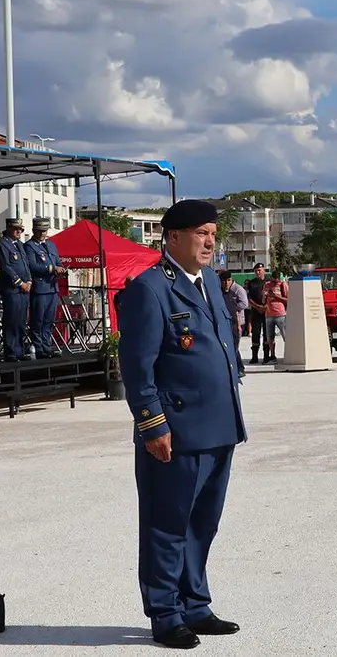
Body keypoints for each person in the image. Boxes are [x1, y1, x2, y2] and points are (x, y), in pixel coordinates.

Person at [118, 199, 247, 649]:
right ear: (172, 237)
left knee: (202, 524)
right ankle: (165, 612)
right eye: (200, 233)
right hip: (175, 432)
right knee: (166, 524)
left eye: (213, 233)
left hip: (219, 426)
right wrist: (153, 426)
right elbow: (138, 368)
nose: (210, 241)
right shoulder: (150, 289)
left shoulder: (210, 281)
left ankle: (194, 603)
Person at [23, 217, 67, 358]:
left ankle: (46, 346)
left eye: (45, 231)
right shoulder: (29, 246)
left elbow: (58, 261)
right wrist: (51, 268)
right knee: (38, 319)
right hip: (40, 288)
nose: (43, 234)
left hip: (52, 287)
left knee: (49, 320)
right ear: (34, 230)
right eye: (40, 231)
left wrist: (61, 268)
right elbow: (32, 266)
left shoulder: (51, 245)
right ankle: (38, 347)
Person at [0, 218, 31, 361]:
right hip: (12, 289)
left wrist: (29, 280)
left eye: (21, 229)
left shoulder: (20, 245)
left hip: (24, 289)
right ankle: (10, 352)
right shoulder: (2, 244)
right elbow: (5, 266)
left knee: (21, 321)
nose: (19, 231)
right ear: (8, 228)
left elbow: (26, 265)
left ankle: (19, 350)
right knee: (11, 321)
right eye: (16, 229)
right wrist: (20, 283)